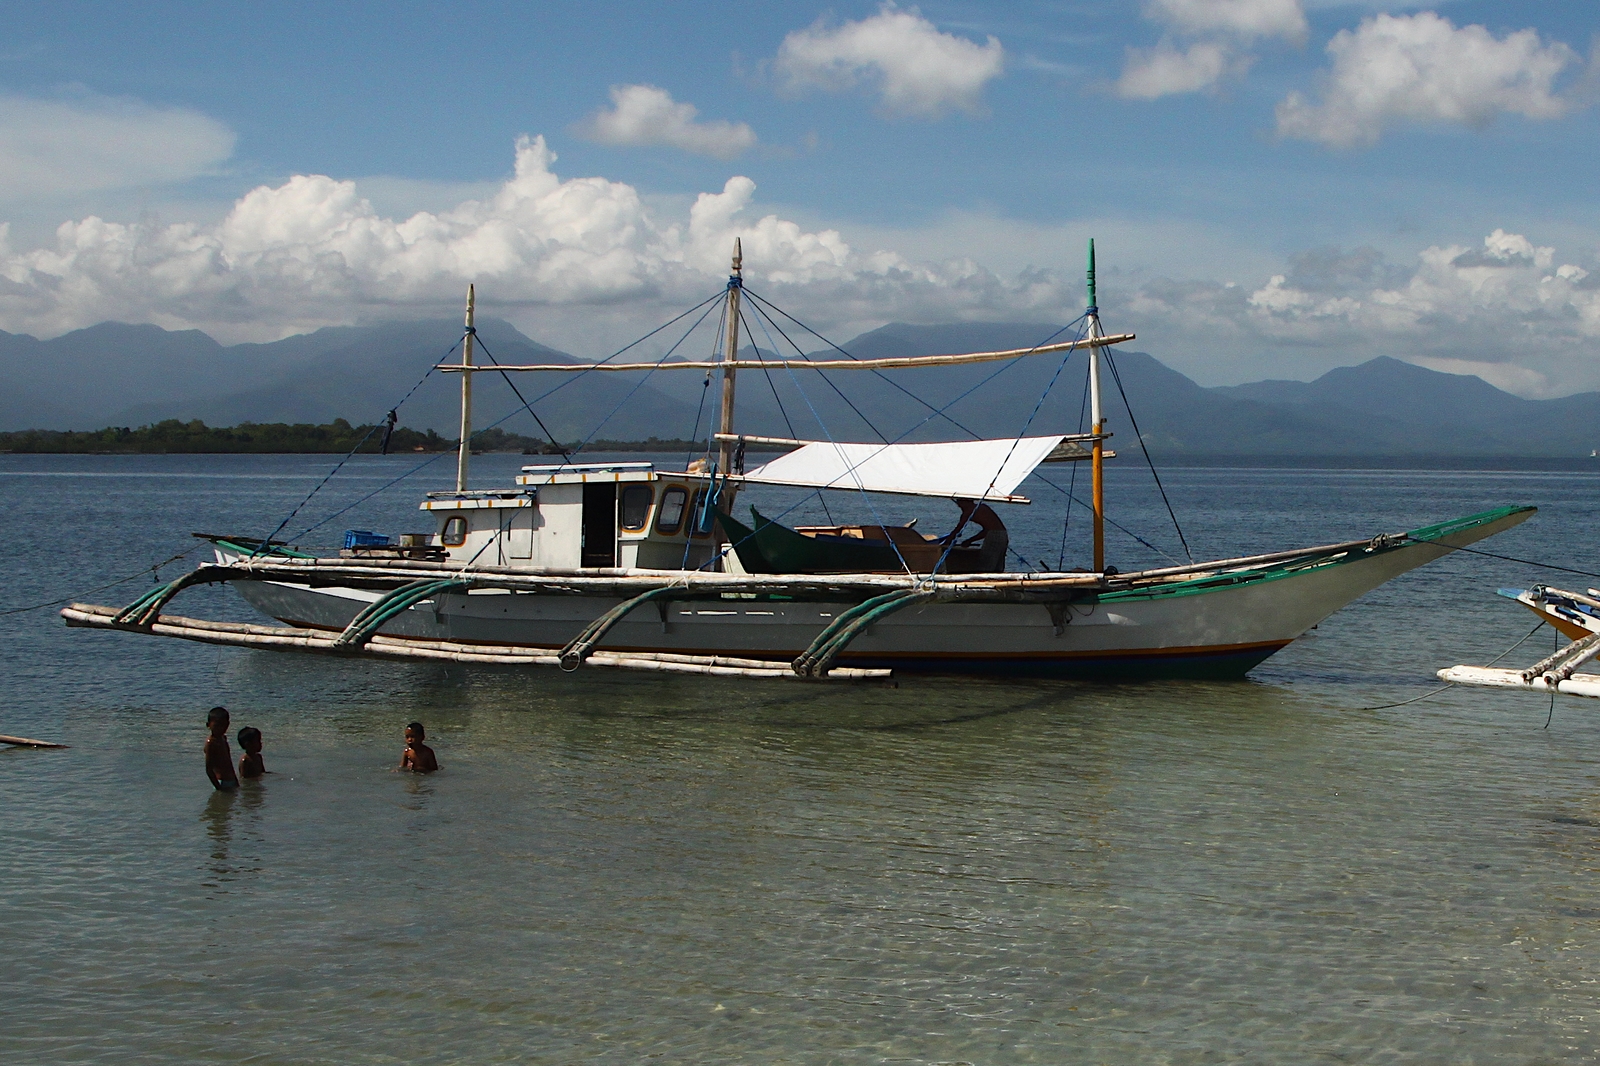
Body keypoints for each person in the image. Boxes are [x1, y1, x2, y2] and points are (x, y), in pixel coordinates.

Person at [205, 707, 239, 790]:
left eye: (224, 725)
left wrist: (235, 780)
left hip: (231, 779)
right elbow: (209, 769)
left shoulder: (223, 738)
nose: (221, 728)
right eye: (217, 726)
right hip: (221, 782)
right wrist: (218, 787)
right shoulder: (211, 743)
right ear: (208, 725)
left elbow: (228, 762)